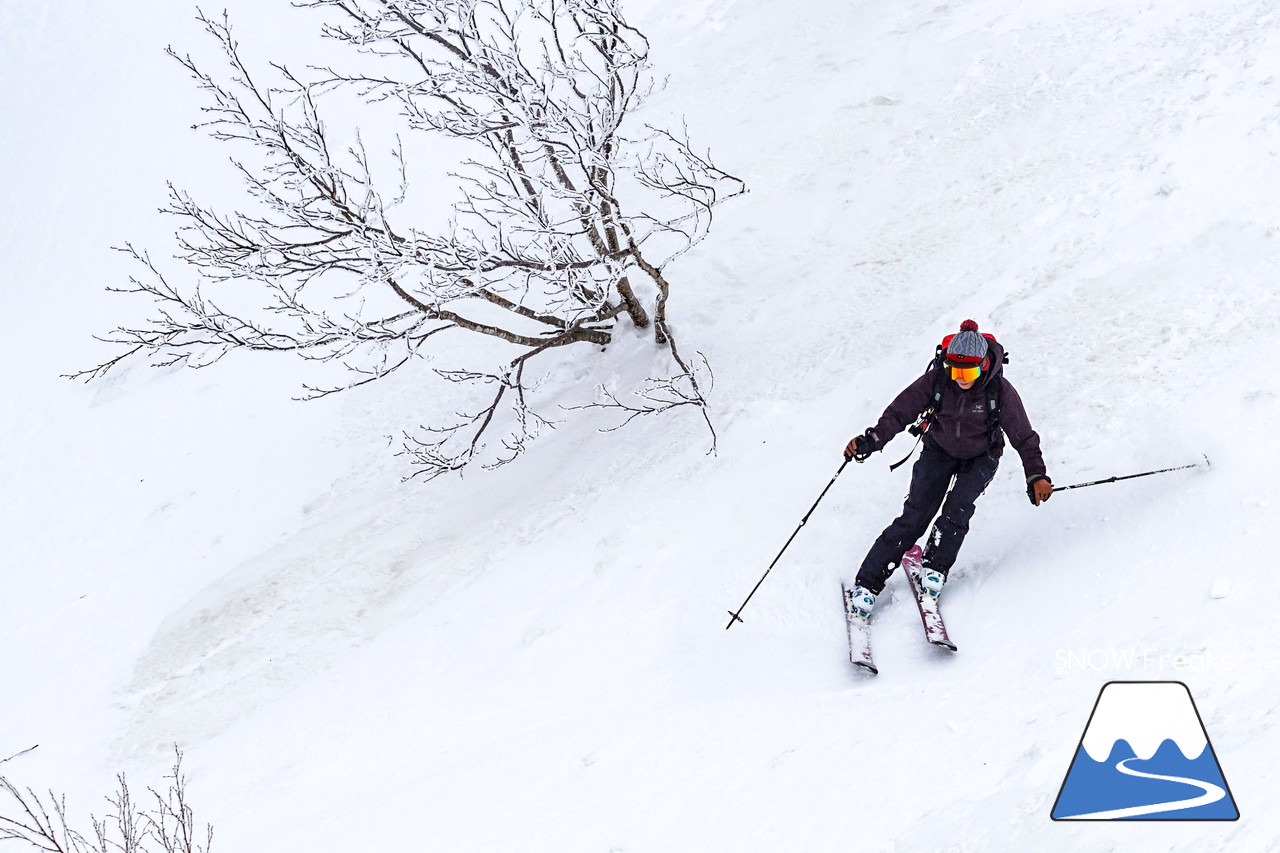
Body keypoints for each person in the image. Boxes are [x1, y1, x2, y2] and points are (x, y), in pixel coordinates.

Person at [843, 320, 1052, 617]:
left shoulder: (999, 391)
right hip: (938, 451)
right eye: (955, 370)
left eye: (968, 372)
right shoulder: (937, 381)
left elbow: (1023, 436)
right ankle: (867, 584)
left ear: (983, 365)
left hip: (981, 456)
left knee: (957, 510)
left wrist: (1036, 475)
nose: (961, 378)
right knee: (915, 516)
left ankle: (935, 568)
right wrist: (873, 440)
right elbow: (899, 412)